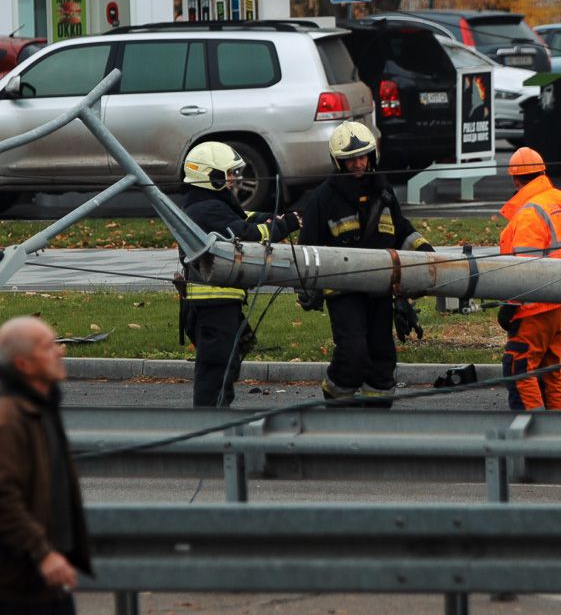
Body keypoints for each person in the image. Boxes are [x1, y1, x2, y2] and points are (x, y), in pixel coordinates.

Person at [0, 316, 92, 615]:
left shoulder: (37, 407)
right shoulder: (5, 422)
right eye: (49, 346)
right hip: (16, 584)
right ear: (24, 364)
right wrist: (43, 553)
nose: (61, 351)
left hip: (42, 583)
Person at [297, 121, 434, 405]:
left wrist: (425, 253)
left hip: (380, 289)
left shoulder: (383, 192)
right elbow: (307, 249)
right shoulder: (322, 199)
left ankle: (376, 413)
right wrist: (309, 288)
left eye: (363, 156)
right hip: (343, 292)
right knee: (353, 351)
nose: (359, 163)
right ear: (339, 161)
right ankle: (335, 399)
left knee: (383, 355)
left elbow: (402, 230)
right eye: (351, 159)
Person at [180, 141, 300, 408]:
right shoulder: (205, 209)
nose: (235, 179)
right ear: (211, 176)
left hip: (218, 305)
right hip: (213, 307)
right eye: (229, 174)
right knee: (217, 370)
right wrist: (284, 225)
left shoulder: (206, 203)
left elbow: (243, 217)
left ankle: (217, 420)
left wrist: (271, 216)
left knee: (226, 364)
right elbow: (249, 234)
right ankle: (211, 426)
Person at [496, 147, 561, 411]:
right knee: (550, 370)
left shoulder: (530, 212)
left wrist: (511, 303)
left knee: (518, 365)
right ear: (543, 172)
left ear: (516, 180)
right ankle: (556, 436)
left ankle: (532, 434)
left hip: (534, 307)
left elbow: (525, 267)